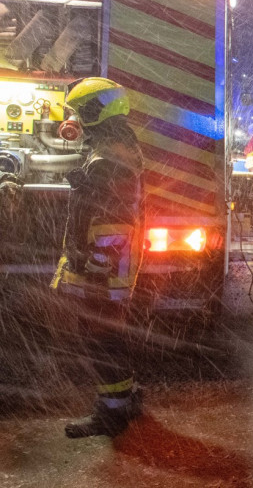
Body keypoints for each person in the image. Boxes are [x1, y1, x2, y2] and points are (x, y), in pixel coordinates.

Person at [49, 77, 144, 438]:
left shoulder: (108, 159)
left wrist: (97, 267)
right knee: (110, 336)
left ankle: (112, 413)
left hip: (102, 271)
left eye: (78, 111)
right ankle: (125, 400)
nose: (73, 118)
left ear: (94, 111)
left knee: (100, 340)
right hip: (106, 268)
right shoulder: (114, 148)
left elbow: (114, 221)